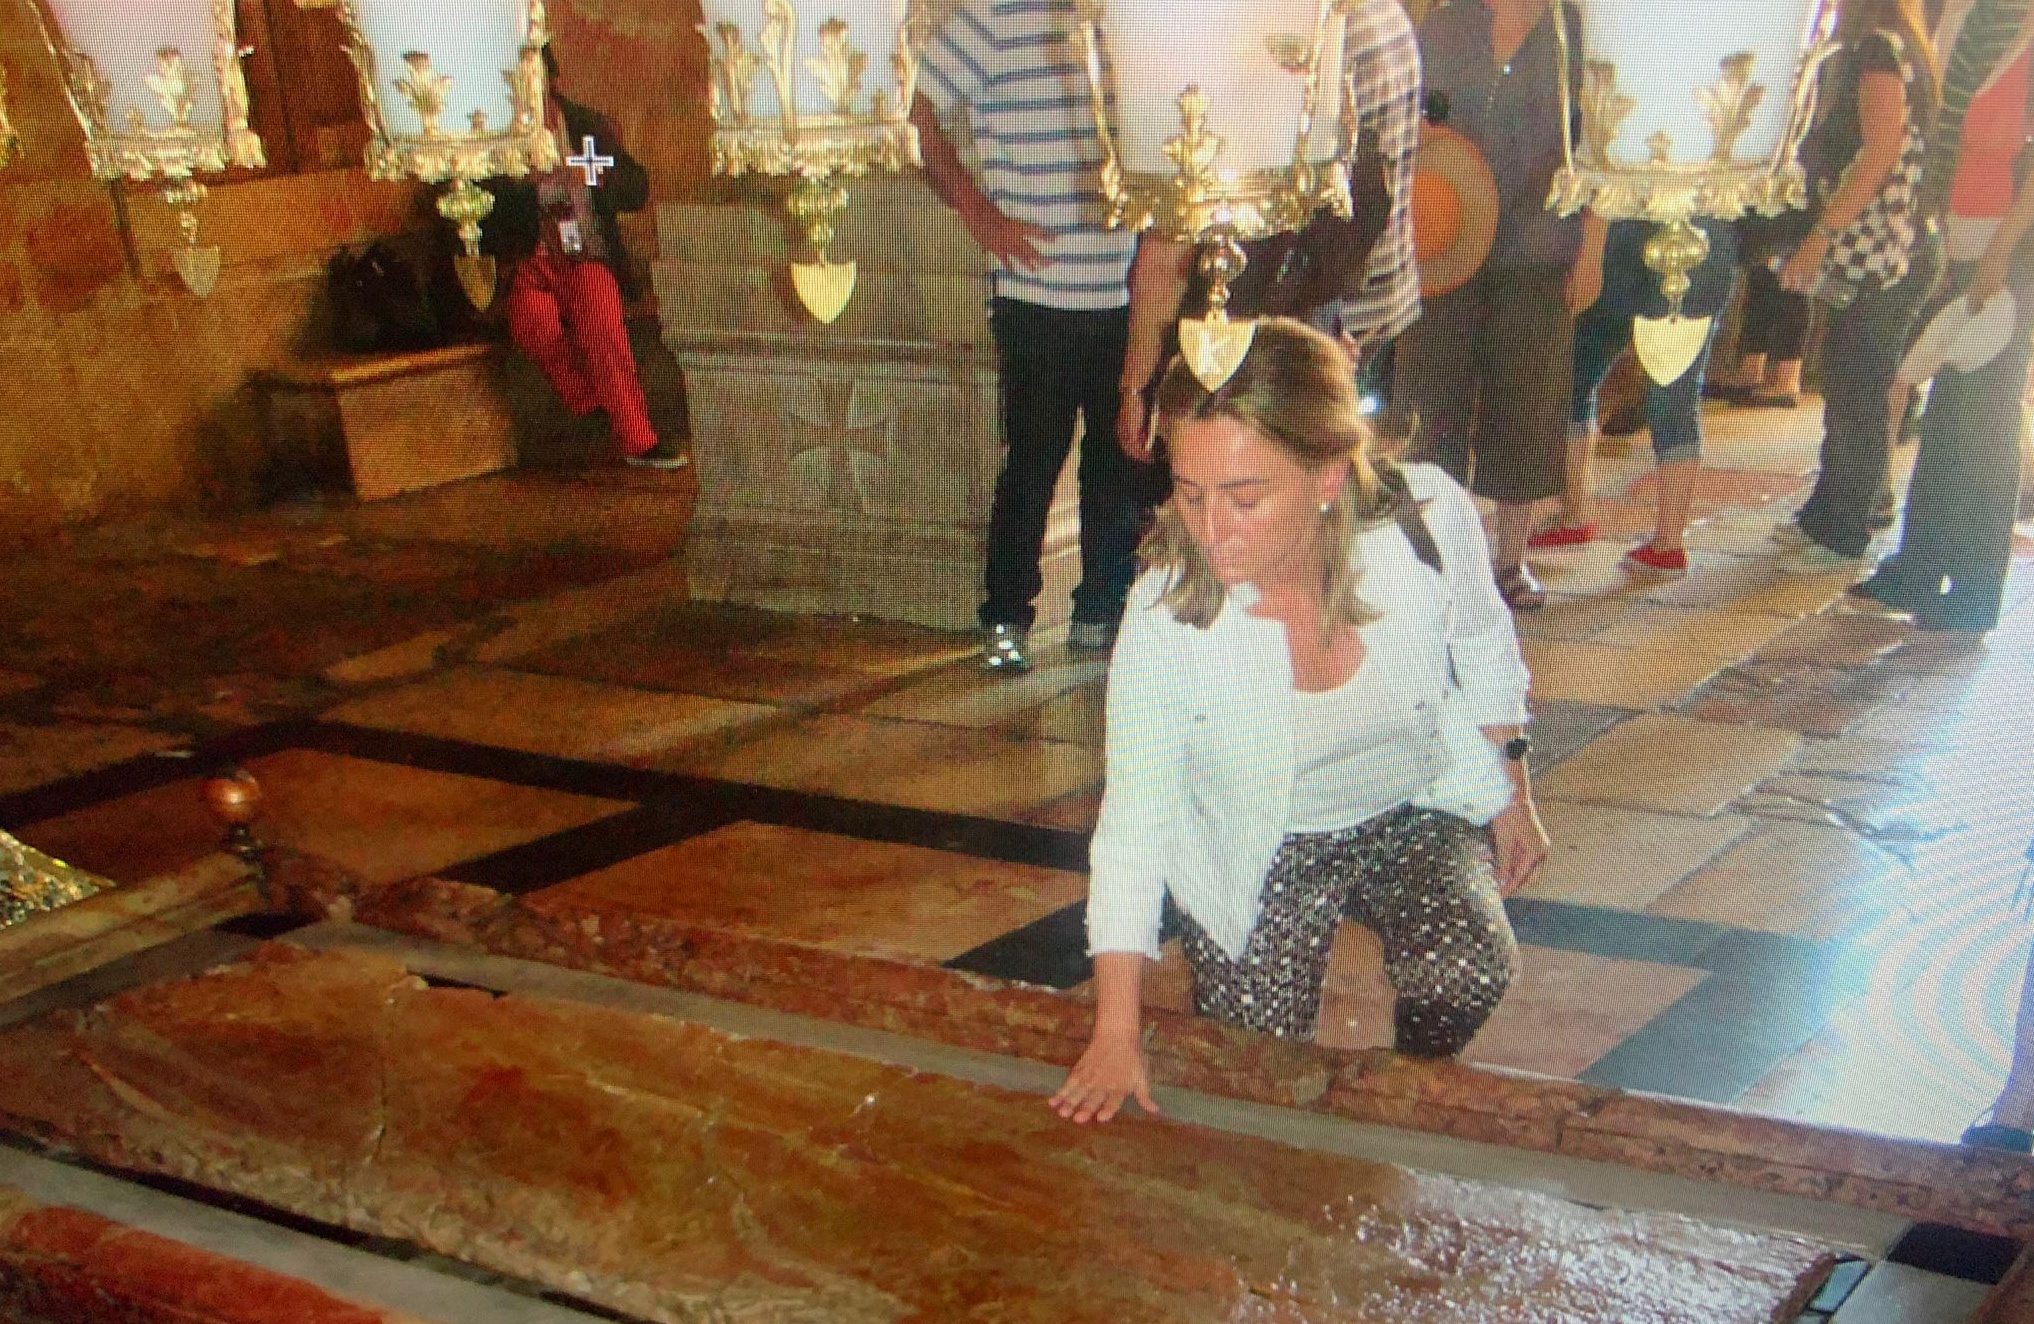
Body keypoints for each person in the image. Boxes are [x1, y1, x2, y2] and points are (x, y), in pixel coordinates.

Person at [1050, 320, 1546, 1126]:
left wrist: (1512, 789)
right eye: (1192, 494)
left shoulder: (1423, 518)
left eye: (1246, 498)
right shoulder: (1167, 614)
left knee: (1468, 969)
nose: (1212, 531)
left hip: (1409, 804)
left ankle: (1405, 1093)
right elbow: (1133, 825)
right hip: (1262, 842)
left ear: (1326, 474)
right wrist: (1117, 1029)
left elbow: (1485, 645)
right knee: (1261, 1072)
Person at [911, 0, 1146, 673]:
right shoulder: (995, 14)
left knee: (1117, 465)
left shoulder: (1129, 18)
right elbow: (914, 110)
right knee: (1033, 467)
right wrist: (977, 210)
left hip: (1128, 292)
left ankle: (1101, 613)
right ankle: (1006, 617)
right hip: (1036, 293)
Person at [1113, 0, 1424, 464]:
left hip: (1247, 346)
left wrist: (1137, 385)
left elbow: (1168, 250)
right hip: (1341, 324)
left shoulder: (1257, 49)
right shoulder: (1380, 22)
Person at [1391, 0, 1587, 612]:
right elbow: (1403, 124)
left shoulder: (1574, 31)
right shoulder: (1444, 27)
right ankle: (1427, 560)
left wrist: (1595, 252)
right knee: (1427, 405)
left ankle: (1509, 560)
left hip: (1541, 246)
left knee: (1529, 406)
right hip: (1447, 243)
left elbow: (1601, 147)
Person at [1852, 0, 2034, 630]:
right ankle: (1920, 565)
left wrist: (1998, 258)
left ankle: (1979, 589)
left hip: (2009, 259)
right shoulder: (1966, 19)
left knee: (1985, 424)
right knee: (1949, 416)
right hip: (1959, 247)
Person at [1773, 0, 1943, 566]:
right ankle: (1840, 504)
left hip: (1884, 248)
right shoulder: (1904, 43)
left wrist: (1820, 237)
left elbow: (1879, 154)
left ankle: (1848, 521)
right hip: (1899, 243)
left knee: (1857, 386)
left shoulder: (1878, 50)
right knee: (1854, 379)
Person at [483, 47, 686, 469]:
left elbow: (636, 187)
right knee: (532, 323)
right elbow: (488, 220)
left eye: (534, 81)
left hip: (586, 257)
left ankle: (638, 439)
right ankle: (590, 399)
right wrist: (522, 191)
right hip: (531, 262)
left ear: (551, 82)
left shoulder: (584, 125)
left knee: (603, 325)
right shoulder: (497, 139)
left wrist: (592, 182)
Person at [1533, 216, 1740, 577]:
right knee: (1669, 391)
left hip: (1635, 238)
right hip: (1698, 240)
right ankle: (1664, 540)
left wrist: (1590, 255)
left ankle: (1582, 516)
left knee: (1582, 376)